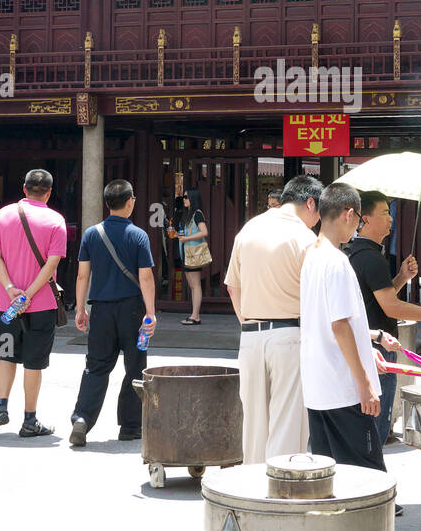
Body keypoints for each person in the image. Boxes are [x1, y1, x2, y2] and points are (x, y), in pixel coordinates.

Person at [300, 182, 403, 476]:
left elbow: (330, 322)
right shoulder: (337, 261)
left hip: (319, 385)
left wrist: (370, 343)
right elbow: (340, 325)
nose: (357, 227)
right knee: (366, 477)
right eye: (358, 218)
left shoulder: (311, 257)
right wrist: (364, 383)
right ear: (348, 214)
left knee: (330, 475)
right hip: (343, 387)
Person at [343, 190, 421, 442]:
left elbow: (376, 299)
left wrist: (401, 279)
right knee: (374, 428)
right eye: (385, 213)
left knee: (367, 424)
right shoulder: (370, 257)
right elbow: (391, 308)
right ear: (365, 219)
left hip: (367, 341)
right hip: (377, 344)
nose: (391, 218)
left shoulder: (361, 253)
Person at [224, 175, 321, 464]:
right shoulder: (306, 238)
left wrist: (248, 323)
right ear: (310, 203)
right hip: (290, 335)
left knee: (254, 425)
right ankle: (280, 496)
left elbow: (232, 287)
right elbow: (317, 299)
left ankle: (252, 494)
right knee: (288, 425)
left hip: (251, 335)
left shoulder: (249, 229)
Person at [70, 179, 156, 446]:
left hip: (101, 310)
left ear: (107, 203)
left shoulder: (91, 234)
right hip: (132, 309)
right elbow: (146, 279)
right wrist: (150, 313)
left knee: (96, 367)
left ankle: (82, 419)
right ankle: (130, 426)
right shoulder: (139, 235)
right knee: (135, 367)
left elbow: (83, 275)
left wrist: (80, 307)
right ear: (130, 201)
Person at [0, 169, 66, 438]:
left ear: (24, 188)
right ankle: (30, 420)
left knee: (6, 354)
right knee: (34, 362)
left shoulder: (2, 216)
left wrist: (10, 289)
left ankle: (1, 408)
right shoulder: (56, 221)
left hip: (7, 304)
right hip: (41, 303)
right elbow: (52, 264)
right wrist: (28, 294)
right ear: (49, 192)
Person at [172, 189, 209, 325]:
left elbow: (204, 232)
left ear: (193, 198)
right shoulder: (189, 214)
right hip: (188, 254)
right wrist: (178, 236)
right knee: (193, 286)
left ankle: (195, 316)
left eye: (186, 197)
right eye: (183, 197)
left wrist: (186, 238)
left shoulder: (197, 214)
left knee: (196, 285)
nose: (184, 199)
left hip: (194, 254)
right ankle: (194, 315)